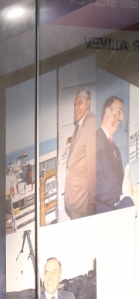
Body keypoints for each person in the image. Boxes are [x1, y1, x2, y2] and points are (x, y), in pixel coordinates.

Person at [95, 96, 133, 213]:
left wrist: (129, 192)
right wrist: (124, 195)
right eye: (119, 111)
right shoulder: (93, 140)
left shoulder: (116, 149)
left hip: (117, 209)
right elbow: (96, 180)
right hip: (103, 214)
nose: (122, 117)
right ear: (107, 112)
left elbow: (119, 180)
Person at [64, 88, 96, 220]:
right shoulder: (80, 124)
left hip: (82, 198)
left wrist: (93, 198)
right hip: (75, 194)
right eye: (75, 104)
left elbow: (92, 163)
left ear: (88, 103)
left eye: (80, 103)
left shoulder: (91, 122)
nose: (76, 108)